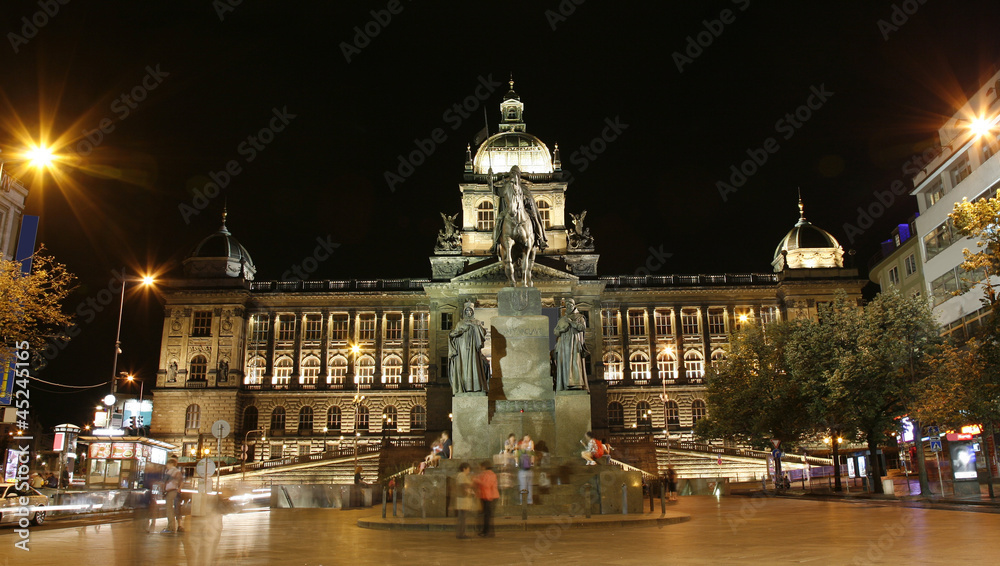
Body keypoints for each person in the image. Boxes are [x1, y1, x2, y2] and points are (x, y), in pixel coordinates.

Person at [448, 303, 488, 394]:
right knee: (463, 366)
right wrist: (460, 331)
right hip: (462, 348)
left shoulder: (477, 322)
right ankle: (465, 386)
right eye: (467, 311)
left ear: (473, 311)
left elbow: (483, 332)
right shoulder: (460, 323)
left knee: (474, 365)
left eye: (470, 310)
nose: (469, 312)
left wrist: (474, 326)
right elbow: (455, 334)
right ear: (464, 312)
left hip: (473, 348)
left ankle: (475, 386)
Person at [554, 298, 589, 390]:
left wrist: (571, 323)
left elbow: (582, 328)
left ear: (574, 306)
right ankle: (564, 384)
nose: (568, 307)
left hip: (574, 343)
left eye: (570, 305)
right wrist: (561, 330)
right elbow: (555, 331)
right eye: (567, 305)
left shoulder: (580, 317)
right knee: (564, 363)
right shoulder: (562, 319)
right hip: (563, 345)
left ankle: (576, 384)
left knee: (574, 363)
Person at [475, 460, 499, 537]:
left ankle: (487, 532)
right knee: (487, 515)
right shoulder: (488, 474)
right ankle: (486, 531)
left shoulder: (489, 474)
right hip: (487, 496)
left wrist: (476, 480)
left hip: (489, 496)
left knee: (487, 515)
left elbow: (486, 485)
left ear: (484, 467)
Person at [454, 463, 477, 539]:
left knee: (462, 517)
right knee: (462, 517)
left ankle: (461, 533)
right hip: (463, 499)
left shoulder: (462, 475)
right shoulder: (462, 475)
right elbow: (464, 485)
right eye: (468, 469)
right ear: (464, 469)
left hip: (463, 499)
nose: (469, 471)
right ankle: (461, 534)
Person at [162, 458, 184, 534]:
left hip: (170, 491)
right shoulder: (178, 472)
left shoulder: (170, 471)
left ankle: (170, 528)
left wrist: (163, 491)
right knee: (174, 509)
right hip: (175, 491)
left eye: (167, 464)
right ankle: (174, 526)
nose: (166, 466)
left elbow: (164, 481)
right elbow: (181, 482)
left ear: (171, 464)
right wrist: (179, 489)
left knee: (169, 509)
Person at [517, 435, 535, 505]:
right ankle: (529, 501)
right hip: (529, 471)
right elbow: (533, 459)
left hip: (523, 471)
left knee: (523, 487)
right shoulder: (531, 452)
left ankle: (523, 502)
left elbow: (516, 459)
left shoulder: (519, 452)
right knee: (529, 487)